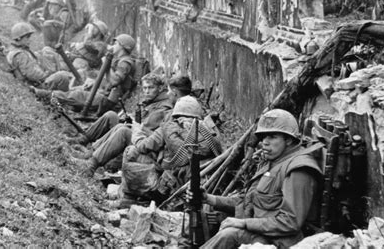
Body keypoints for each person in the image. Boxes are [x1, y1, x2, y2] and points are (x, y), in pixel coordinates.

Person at [187, 109, 323, 249]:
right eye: (263, 137)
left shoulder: (298, 170)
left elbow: (291, 222)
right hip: (261, 231)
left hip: (280, 241)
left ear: (288, 140)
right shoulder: (273, 161)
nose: (265, 142)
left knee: (229, 235)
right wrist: (209, 198)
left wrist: (244, 223)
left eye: (272, 137)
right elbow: (250, 199)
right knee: (207, 213)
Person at [66, 73, 174, 177]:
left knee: (123, 130)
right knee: (113, 117)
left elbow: (144, 130)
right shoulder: (152, 101)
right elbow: (140, 121)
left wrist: (131, 122)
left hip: (148, 149)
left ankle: (91, 165)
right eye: (145, 88)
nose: (146, 91)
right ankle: (90, 153)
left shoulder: (163, 108)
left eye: (150, 88)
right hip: (141, 140)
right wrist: (130, 117)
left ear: (160, 89)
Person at [120, 95, 222, 206]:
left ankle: (128, 197)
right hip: (199, 178)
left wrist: (137, 132)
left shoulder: (170, 126)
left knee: (130, 151)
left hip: (171, 180)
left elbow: (143, 146)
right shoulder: (208, 130)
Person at [48, 34, 137, 114]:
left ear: (123, 47)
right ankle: (52, 96)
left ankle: (46, 95)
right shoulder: (119, 60)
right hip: (104, 94)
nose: (113, 46)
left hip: (108, 100)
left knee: (75, 95)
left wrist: (107, 64)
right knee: (75, 92)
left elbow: (114, 81)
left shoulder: (125, 62)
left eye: (116, 44)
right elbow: (109, 79)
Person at [6, 22, 51, 86]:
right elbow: (31, 73)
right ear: (19, 38)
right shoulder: (20, 54)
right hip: (35, 85)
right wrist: (47, 76)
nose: (30, 40)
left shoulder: (15, 50)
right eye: (27, 37)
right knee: (61, 77)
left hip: (35, 82)